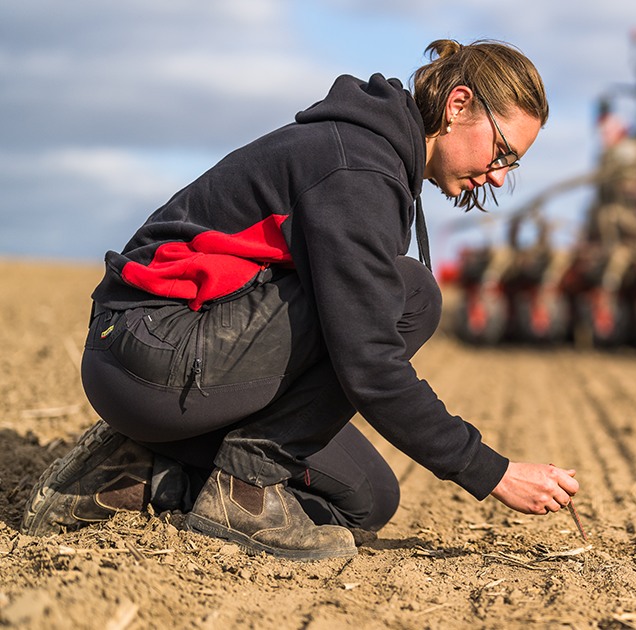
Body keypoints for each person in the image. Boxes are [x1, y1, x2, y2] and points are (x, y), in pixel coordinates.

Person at [21, 39, 580, 561]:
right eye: (503, 151)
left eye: (515, 164)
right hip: (147, 350)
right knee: (411, 295)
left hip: (174, 360)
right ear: (458, 105)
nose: (502, 178)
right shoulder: (356, 168)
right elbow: (370, 363)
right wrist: (491, 471)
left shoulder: (376, 163)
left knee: (367, 500)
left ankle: (132, 471)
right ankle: (244, 484)